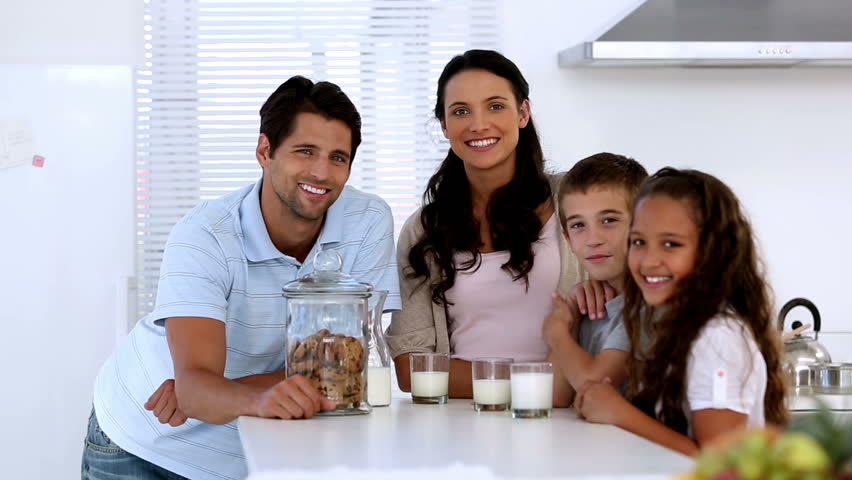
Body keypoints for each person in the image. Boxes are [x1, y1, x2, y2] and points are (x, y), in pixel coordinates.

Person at [82, 76, 401, 480]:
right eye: (305, 151)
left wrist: (215, 390)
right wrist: (210, 392)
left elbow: (344, 367)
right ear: (265, 151)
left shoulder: (367, 220)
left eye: (338, 157)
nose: (322, 172)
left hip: (254, 443)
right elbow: (198, 388)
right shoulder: (206, 234)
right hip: (148, 441)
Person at [385, 49, 584, 398]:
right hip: (462, 418)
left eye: (495, 106)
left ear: (523, 113)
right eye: (461, 111)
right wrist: (543, 385)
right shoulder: (423, 229)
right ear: (444, 125)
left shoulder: (574, 200)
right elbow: (411, 370)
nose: (478, 124)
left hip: (570, 417)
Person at [574, 167, 788, 456]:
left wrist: (618, 412)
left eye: (670, 244)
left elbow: (719, 460)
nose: (649, 261)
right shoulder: (679, 326)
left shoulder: (717, 338)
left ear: (713, 251)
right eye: (639, 242)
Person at [543, 153, 648, 407]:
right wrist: (572, 320)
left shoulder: (648, 303)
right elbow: (554, 396)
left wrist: (556, 333)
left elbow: (595, 386)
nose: (593, 239)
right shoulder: (591, 306)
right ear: (568, 239)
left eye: (609, 220)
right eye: (579, 225)